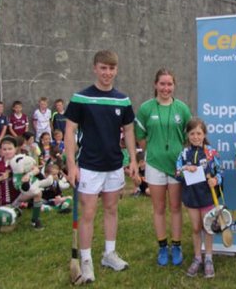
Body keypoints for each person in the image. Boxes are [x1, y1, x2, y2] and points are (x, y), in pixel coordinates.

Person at [65, 50, 139, 282]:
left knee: (111, 209)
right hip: (89, 165)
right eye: (103, 68)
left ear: (116, 70)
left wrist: (134, 160)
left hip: (114, 165)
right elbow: (70, 130)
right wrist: (71, 165)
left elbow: (128, 130)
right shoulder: (81, 98)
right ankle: (86, 261)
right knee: (88, 213)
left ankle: (109, 253)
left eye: (111, 68)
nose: (107, 73)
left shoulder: (122, 100)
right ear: (95, 68)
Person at [134, 68, 194, 268]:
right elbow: (140, 137)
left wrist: (182, 157)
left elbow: (190, 136)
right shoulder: (146, 108)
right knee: (159, 208)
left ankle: (176, 246)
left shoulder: (182, 109)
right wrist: (153, 153)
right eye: (162, 84)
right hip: (155, 165)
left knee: (176, 207)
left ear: (174, 86)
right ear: (155, 85)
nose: (166, 88)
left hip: (177, 166)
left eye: (169, 84)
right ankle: (162, 247)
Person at [177, 116, 221, 278]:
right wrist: (185, 170)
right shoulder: (184, 153)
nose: (196, 137)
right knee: (196, 228)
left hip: (207, 197)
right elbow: (176, 173)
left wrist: (215, 180)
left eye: (199, 133)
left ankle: (208, 258)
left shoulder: (211, 152)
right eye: (192, 133)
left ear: (204, 135)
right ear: (188, 135)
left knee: (207, 227)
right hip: (191, 197)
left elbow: (220, 172)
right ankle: (197, 257)